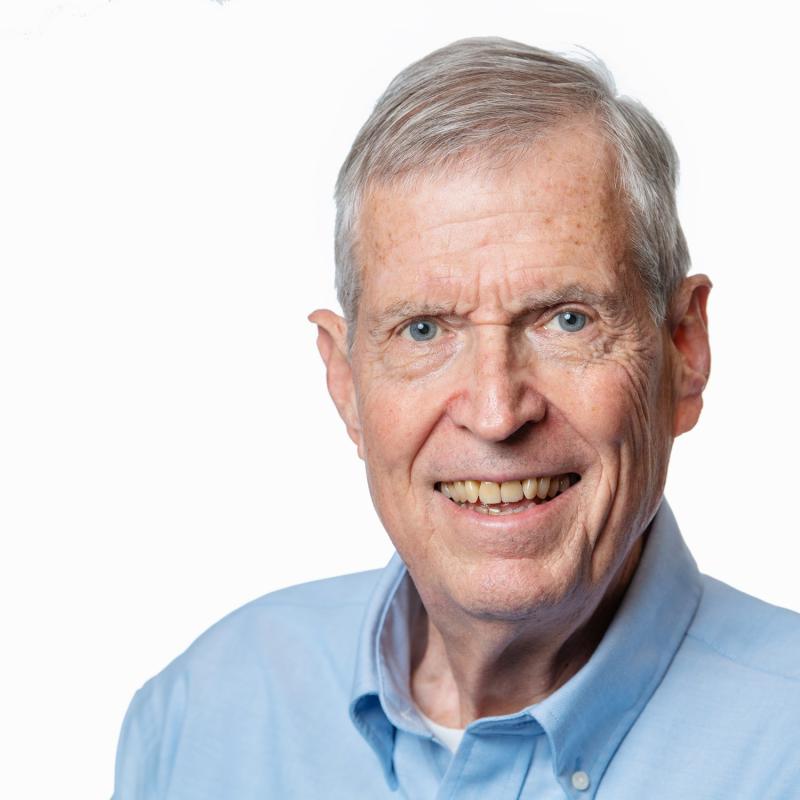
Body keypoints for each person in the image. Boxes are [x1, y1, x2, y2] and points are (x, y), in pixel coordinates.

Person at [113, 37, 800, 799]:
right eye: (424, 330)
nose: (497, 412)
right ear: (345, 382)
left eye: (567, 321)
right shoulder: (202, 716)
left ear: (685, 351)